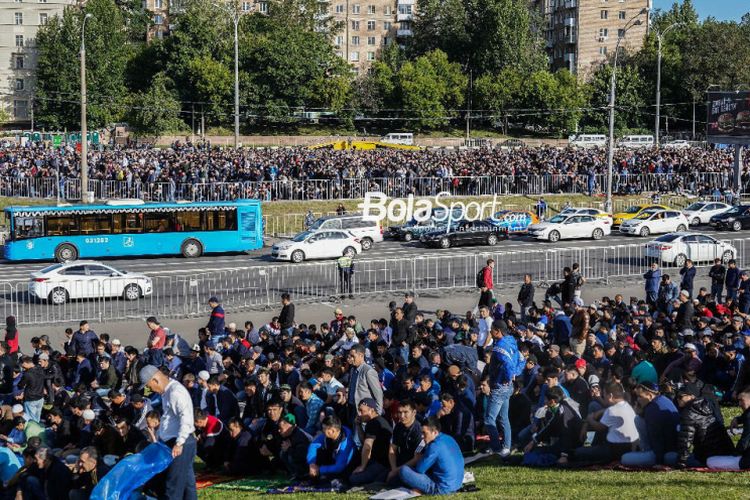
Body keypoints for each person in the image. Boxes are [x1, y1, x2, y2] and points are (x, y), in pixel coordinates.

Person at [140, 365, 197, 500]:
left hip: (180, 442)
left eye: (149, 386)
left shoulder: (175, 392)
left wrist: (179, 442)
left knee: (173, 485)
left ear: (155, 380)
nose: (150, 390)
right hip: (178, 440)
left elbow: (186, 417)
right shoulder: (168, 391)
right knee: (187, 483)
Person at [569, 382, 638, 465]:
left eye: (604, 395)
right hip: (627, 446)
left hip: (614, 449)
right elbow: (604, 411)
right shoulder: (626, 405)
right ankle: (587, 444)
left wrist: (589, 420)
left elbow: (599, 427)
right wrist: (594, 417)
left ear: (610, 396)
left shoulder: (612, 410)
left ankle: (586, 445)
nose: (603, 397)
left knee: (577, 453)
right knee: (594, 406)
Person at [398, 417, 464, 496]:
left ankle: (421, 489)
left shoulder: (434, 446)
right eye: (421, 433)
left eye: (424, 433)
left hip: (442, 489)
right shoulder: (449, 438)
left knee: (403, 471)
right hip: (457, 484)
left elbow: (420, 469)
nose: (422, 436)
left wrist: (418, 458)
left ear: (435, 432)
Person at [620, 382, 680, 467]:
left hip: (667, 454)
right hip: (674, 449)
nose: (637, 399)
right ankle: (647, 452)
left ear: (650, 396)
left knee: (625, 458)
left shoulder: (652, 410)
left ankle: (647, 453)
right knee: (639, 419)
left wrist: (659, 462)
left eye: (640, 396)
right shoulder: (663, 399)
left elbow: (657, 438)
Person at [675, 387, 735, 468]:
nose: (678, 399)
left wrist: (681, 462)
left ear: (692, 396)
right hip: (726, 451)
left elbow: (685, 440)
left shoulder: (688, 412)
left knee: (670, 457)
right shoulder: (708, 404)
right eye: (677, 396)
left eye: (681, 396)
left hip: (708, 456)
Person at [484, 319, 517, 457]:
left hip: (499, 387)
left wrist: (509, 376)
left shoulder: (499, 348)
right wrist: (513, 375)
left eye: (491, 329)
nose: (490, 332)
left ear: (497, 331)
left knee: (489, 419)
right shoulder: (511, 341)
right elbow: (518, 358)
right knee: (504, 418)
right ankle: (507, 447)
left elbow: (508, 364)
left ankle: (497, 448)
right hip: (507, 387)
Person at [350, 398, 393, 486]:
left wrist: (362, 466)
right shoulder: (378, 420)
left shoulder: (373, 423)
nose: (359, 414)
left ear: (372, 410)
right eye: (359, 410)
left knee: (353, 478)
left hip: (381, 463)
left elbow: (367, 447)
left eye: (362, 411)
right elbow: (364, 441)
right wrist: (358, 426)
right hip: (380, 462)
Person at [707, 388, 750, 470]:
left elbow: (745, 441)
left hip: (746, 462)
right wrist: (738, 419)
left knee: (710, 461)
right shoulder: (747, 415)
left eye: (742, 400)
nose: (739, 404)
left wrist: (734, 454)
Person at [306, 415, 355, 482]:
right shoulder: (327, 435)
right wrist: (312, 463)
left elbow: (339, 467)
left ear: (332, 431)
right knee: (318, 452)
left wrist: (319, 469)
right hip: (334, 459)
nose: (322, 431)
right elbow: (314, 445)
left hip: (346, 466)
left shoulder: (346, 443)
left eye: (324, 429)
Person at [347, 344, 383, 422]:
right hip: (352, 408)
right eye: (350, 356)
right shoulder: (353, 369)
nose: (351, 359)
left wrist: (378, 415)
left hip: (363, 412)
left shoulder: (368, 371)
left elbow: (378, 393)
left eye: (353, 356)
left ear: (361, 355)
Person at [277, 413, 312, 479]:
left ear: (291, 427)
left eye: (281, 428)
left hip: (309, 463)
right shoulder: (288, 434)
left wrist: (289, 448)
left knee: (291, 456)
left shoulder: (300, 436)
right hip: (300, 456)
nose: (279, 430)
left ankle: (303, 474)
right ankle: (294, 473)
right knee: (283, 453)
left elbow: (301, 454)